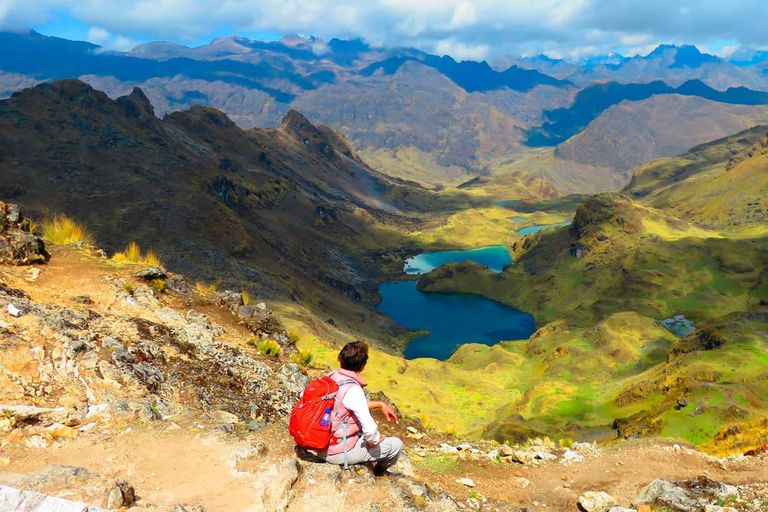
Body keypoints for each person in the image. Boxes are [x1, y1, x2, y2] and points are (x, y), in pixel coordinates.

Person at [318, 341, 403, 474]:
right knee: (396, 446)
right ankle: (379, 473)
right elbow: (370, 430)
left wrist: (380, 404)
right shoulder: (352, 389)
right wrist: (373, 442)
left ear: (341, 359)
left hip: (319, 442)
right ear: (362, 366)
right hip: (336, 452)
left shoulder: (331, 377)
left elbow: (346, 404)